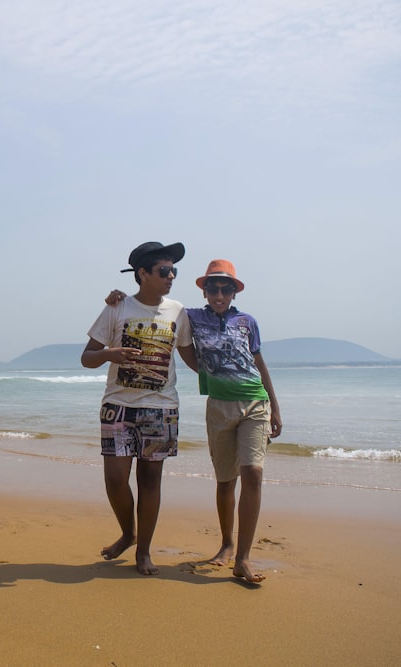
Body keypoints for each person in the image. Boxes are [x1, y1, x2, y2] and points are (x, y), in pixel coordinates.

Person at [105, 258, 281, 584]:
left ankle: (242, 558)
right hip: (219, 407)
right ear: (204, 291)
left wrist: (275, 406)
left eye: (225, 288)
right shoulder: (191, 317)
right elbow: (153, 310)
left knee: (253, 473)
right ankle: (227, 544)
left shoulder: (247, 321)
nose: (218, 293)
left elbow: (259, 361)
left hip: (255, 402)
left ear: (233, 291)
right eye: (212, 287)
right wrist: (120, 295)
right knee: (226, 481)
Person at [82, 241, 197, 576]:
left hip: (161, 409)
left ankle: (143, 551)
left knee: (150, 482)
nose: (171, 276)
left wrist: (231, 379)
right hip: (118, 407)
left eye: (174, 270)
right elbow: (87, 358)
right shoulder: (117, 308)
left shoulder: (178, 311)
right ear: (143, 273)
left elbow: (191, 358)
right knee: (116, 480)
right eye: (164, 271)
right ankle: (128, 533)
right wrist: (108, 354)